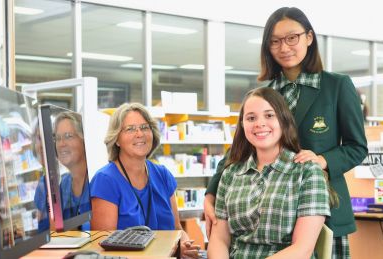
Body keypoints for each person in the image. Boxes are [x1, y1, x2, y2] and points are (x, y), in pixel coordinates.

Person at [205, 7, 368, 258]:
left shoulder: (336, 86)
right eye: (275, 41)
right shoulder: (266, 93)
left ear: (309, 38)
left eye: (292, 37)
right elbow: (240, 146)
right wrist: (212, 192)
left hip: (321, 205)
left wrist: (322, 160)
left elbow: (357, 147)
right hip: (269, 208)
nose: (284, 47)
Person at [207, 87, 330, 258]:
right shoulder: (230, 174)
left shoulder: (307, 172)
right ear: (243, 125)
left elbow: (303, 248)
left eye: (269, 115)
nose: (259, 123)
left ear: (284, 120)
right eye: (251, 118)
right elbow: (219, 239)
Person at [90, 102, 200, 259]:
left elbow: (177, 229)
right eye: (130, 129)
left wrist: (185, 245)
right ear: (117, 139)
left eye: (144, 127)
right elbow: (102, 249)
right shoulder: (105, 181)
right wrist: (168, 251)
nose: (139, 134)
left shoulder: (162, 175)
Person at [34, 111, 91, 231]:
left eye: (68, 136)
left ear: (84, 140)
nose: (61, 144)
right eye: (58, 138)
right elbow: (55, 231)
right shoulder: (63, 185)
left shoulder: (97, 181)